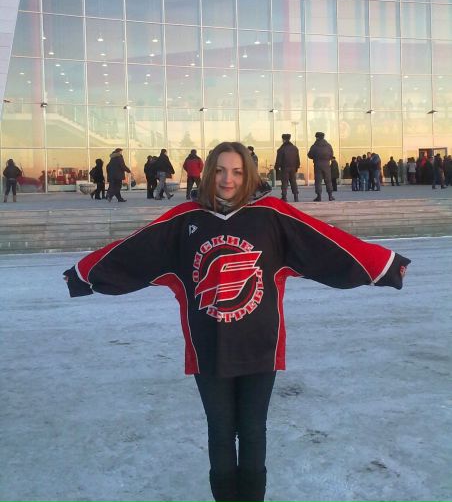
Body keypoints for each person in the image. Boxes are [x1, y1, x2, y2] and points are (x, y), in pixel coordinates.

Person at [63, 141, 410, 502]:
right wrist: (83, 274)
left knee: (253, 430)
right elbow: (133, 250)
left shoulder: (271, 215)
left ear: (249, 175)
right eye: (220, 170)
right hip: (208, 349)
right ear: (207, 173)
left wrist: (384, 266)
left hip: (260, 348)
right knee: (220, 432)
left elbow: (327, 243)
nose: (228, 179)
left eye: (237, 172)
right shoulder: (184, 220)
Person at [307, 132, 334, 201]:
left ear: (317, 137)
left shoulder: (314, 146)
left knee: (318, 181)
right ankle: (330, 196)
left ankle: (319, 196)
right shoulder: (328, 146)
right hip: (326, 165)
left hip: (317, 165)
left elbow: (310, 155)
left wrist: (315, 157)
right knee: (328, 180)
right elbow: (331, 155)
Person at [274, 133, 300, 202]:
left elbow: (278, 160)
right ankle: (296, 197)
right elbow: (297, 159)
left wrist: (276, 168)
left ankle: (284, 197)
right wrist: (297, 167)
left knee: (284, 183)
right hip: (293, 168)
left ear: (283, 139)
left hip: (284, 168)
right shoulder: (295, 148)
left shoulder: (281, 149)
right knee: (293, 182)